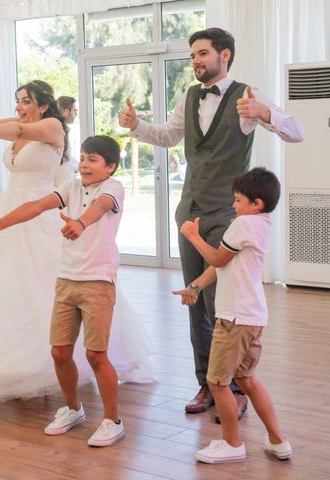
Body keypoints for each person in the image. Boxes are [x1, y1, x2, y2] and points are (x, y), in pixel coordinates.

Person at [0, 80, 152, 404]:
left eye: (25, 100)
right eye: (17, 100)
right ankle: (2, 363)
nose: (19, 106)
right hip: (7, 208)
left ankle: (55, 361)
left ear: (42, 104)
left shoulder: (51, 127)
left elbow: (5, 130)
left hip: (41, 210)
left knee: (43, 288)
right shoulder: (18, 126)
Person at [119, 27, 304, 419]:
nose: (196, 61)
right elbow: (169, 137)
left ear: (225, 55)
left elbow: (296, 132)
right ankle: (207, 383)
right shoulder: (188, 96)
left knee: (223, 302)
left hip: (228, 214)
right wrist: (136, 126)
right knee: (194, 299)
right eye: (192, 55)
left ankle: (233, 387)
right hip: (190, 211)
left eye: (202, 53)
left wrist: (265, 114)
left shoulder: (247, 96)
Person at [0, 135, 127, 447]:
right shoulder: (71, 187)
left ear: (110, 167)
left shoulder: (112, 188)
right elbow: (37, 206)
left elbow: (100, 208)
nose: (85, 165)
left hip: (98, 281)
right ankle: (73, 409)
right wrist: (1, 223)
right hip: (66, 279)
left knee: (96, 354)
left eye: (94, 160)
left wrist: (81, 224)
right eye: (83, 158)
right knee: (59, 351)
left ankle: (113, 419)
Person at [173, 167, 291, 463]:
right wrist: (196, 286)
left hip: (234, 318)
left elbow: (214, 257)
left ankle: (232, 443)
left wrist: (192, 235)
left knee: (217, 382)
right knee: (248, 380)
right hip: (252, 317)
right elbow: (224, 263)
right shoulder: (261, 223)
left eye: (238, 200)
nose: (234, 205)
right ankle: (278, 441)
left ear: (256, 204)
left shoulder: (242, 226)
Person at [55, 96, 79, 185]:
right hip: (60, 180)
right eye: (75, 110)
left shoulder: (64, 129)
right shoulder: (58, 130)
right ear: (66, 111)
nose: (76, 114)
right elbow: (61, 157)